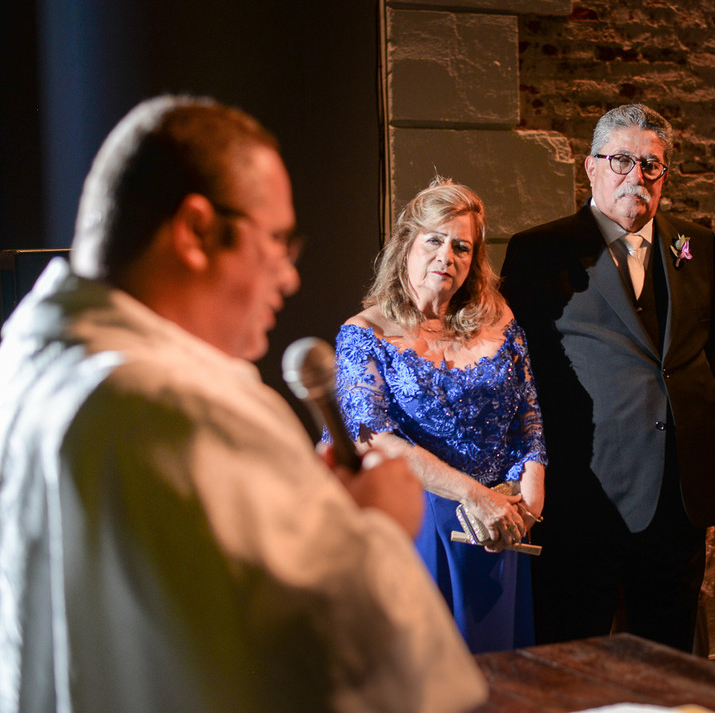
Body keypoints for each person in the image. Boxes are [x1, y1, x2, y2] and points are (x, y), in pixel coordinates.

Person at [0, 96, 486, 713]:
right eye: (278, 240)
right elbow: (335, 671)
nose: (288, 277)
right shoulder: (188, 408)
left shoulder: (30, 362)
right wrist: (377, 530)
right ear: (197, 230)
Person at [502, 103, 715, 652]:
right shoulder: (539, 250)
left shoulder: (697, 245)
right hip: (584, 499)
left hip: (677, 504)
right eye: (622, 161)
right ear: (591, 167)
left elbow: (704, 360)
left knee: (668, 668)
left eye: (652, 166)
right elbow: (519, 379)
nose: (637, 178)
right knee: (574, 664)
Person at [331, 178, 547, 654]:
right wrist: (474, 496)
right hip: (418, 529)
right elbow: (373, 439)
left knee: (498, 673)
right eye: (434, 239)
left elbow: (528, 418)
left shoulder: (501, 321)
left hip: (502, 531)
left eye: (462, 247)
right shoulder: (363, 334)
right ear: (407, 244)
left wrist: (528, 505)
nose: (446, 257)